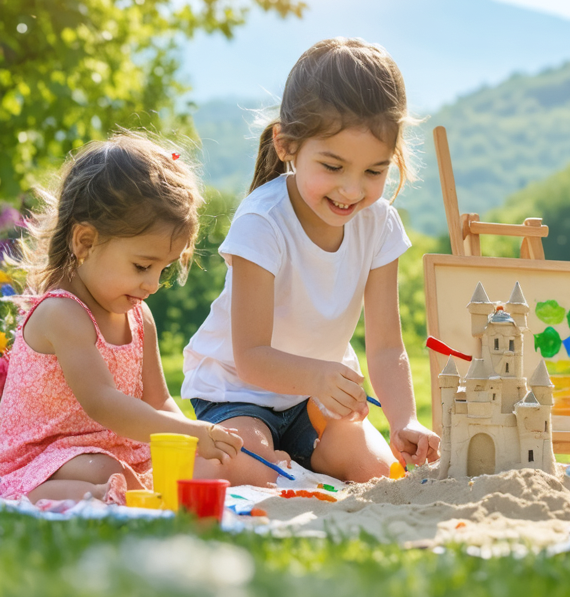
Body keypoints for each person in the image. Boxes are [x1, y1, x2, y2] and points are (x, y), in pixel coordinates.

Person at [181, 38, 439, 486]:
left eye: (374, 172)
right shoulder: (263, 222)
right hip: (238, 395)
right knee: (237, 466)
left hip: (315, 403)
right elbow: (251, 358)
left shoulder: (378, 225)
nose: (353, 191)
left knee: (379, 473)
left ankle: (297, 466)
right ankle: (286, 466)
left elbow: (385, 347)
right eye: (333, 167)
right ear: (286, 145)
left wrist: (404, 421)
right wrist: (319, 376)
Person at [0, 133, 242, 505]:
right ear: (85, 242)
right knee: (108, 473)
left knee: (200, 469)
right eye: (141, 266)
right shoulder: (62, 314)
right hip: (43, 459)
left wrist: (190, 439)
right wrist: (190, 431)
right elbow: (103, 402)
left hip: (116, 454)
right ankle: (86, 495)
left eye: (162, 270)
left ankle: (115, 494)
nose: (152, 284)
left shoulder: (139, 316)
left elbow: (159, 401)